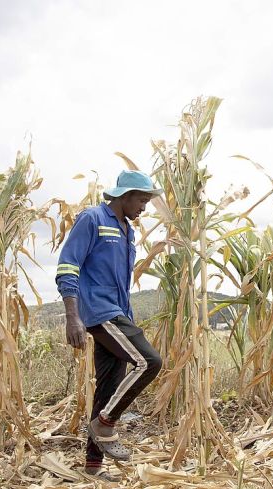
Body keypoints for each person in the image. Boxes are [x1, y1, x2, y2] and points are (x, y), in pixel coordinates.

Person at [55, 169, 164, 481]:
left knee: (108, 387)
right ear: (124, 195)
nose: (144, 206)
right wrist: (72, 315)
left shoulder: (126, 230)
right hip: (99, 311)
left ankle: (93, 469)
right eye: (141, 200)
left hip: (118, 312)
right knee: (149, 361)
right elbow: (68, 265)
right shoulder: (93, 219)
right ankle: (106, 422)